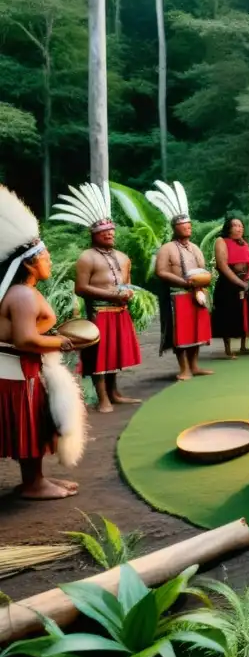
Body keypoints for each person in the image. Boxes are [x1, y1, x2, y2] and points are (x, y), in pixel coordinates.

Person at [0, 185, 87, 499]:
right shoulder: (22, 294)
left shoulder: (23, 292)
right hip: (18, 371)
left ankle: (34, 480)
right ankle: (34, 484)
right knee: (30, 422)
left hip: (20, 369)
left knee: (35, 421)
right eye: (45, 258)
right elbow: (25, 339)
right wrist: (62, 342)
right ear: (28, 264)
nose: (49, 262)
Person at [51, 181, 142, 412]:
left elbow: (127, 282)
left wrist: (128, 292)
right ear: (95, 234)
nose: (111, 234)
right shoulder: (87, 257)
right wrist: (110, 294)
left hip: (119, 311)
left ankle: (114, 393)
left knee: (114, 353)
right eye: (105, 232)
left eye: (112, 231)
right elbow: (81, 288)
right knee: (99, 355)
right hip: (98, 313)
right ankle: (102, 397)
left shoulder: (123, 257)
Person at [148, 180, 214, 381]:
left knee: (196, 331)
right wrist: (183, 282)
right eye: (184, 226)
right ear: (175, 228)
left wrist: (203, 280)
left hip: (197, 294)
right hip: (177, 295)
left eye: (189, 225)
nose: (188, 229)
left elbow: (203, 268)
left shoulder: (194, 248)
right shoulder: (167, 248)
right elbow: (160, 271)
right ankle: (183, 367)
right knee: (181, 333)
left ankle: (194, 365)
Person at [212, 216, 249, 359]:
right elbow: (223, 266)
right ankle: (228, 349)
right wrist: (240, 282)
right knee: (227, 314)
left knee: (245, 313)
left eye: (241, 225)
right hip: (228, 282)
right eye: (235, 225)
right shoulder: (221, 241)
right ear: (228, 228)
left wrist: (247, 278)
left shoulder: (244, 243)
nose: (239, 228)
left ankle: (244, 346)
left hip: (244, 281)